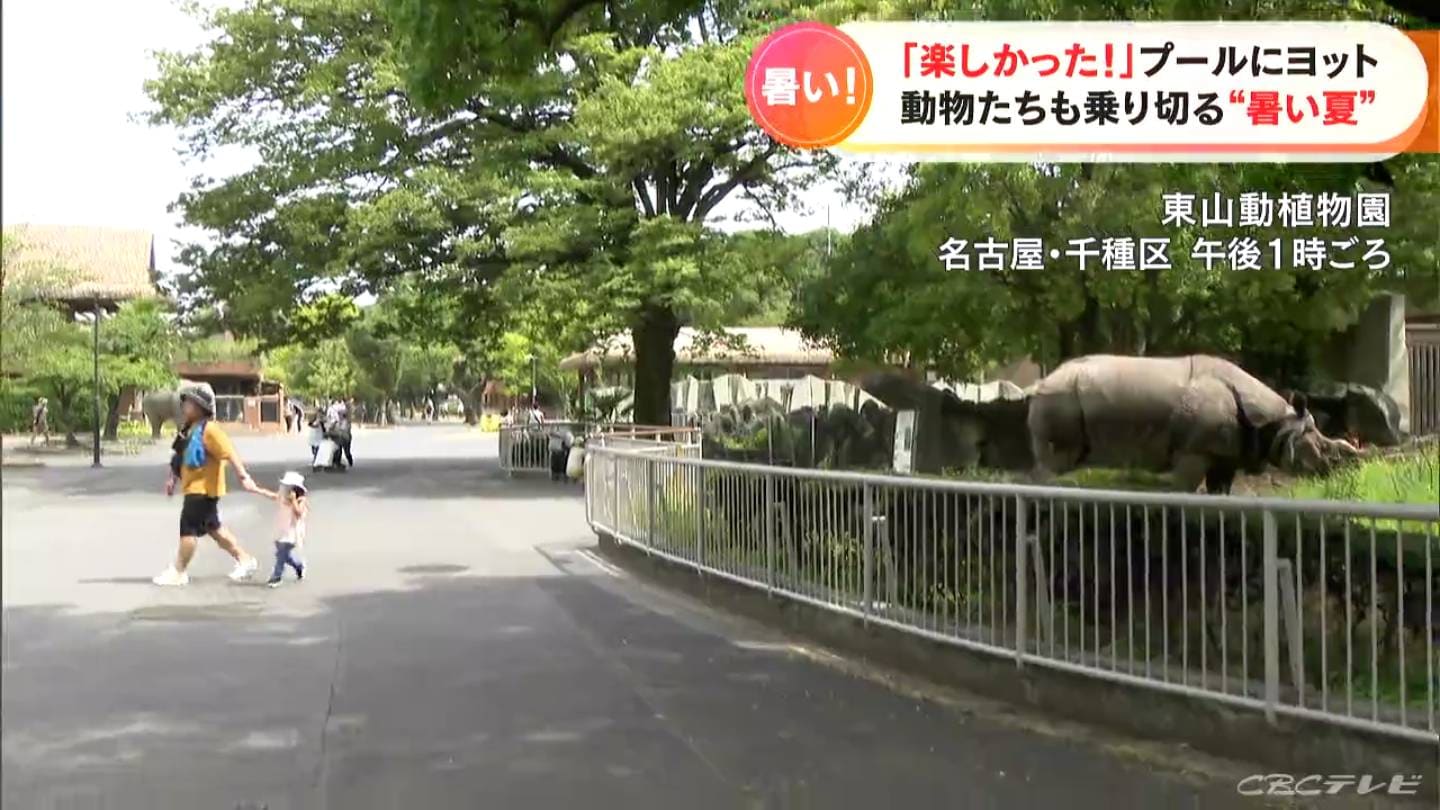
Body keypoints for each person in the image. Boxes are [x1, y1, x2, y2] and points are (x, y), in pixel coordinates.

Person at [152, 382, 261, 586]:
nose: (184, 406)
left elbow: (229, 452)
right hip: (193, 487)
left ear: (201, 407)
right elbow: (178, 456)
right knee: (214, 529)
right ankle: (245, 560)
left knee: (188, 529)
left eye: (189, 403)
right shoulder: (187, 428)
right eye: (185, 402)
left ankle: (178, 571)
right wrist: (171, 479)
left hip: (203, 489)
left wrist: (244, 476)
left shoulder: (210, 430)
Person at [250, 471, 309, 588]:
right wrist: (256, 490)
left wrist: (293, 501)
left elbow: (298, 513)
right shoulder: (282, 497)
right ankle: (298, 566)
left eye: (289, 487)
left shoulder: (300, 500)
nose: (285, 489)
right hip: (281, 530)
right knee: (283, 555)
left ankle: (276, 577)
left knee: (281, 556)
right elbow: (270, 495)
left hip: (292, 532)